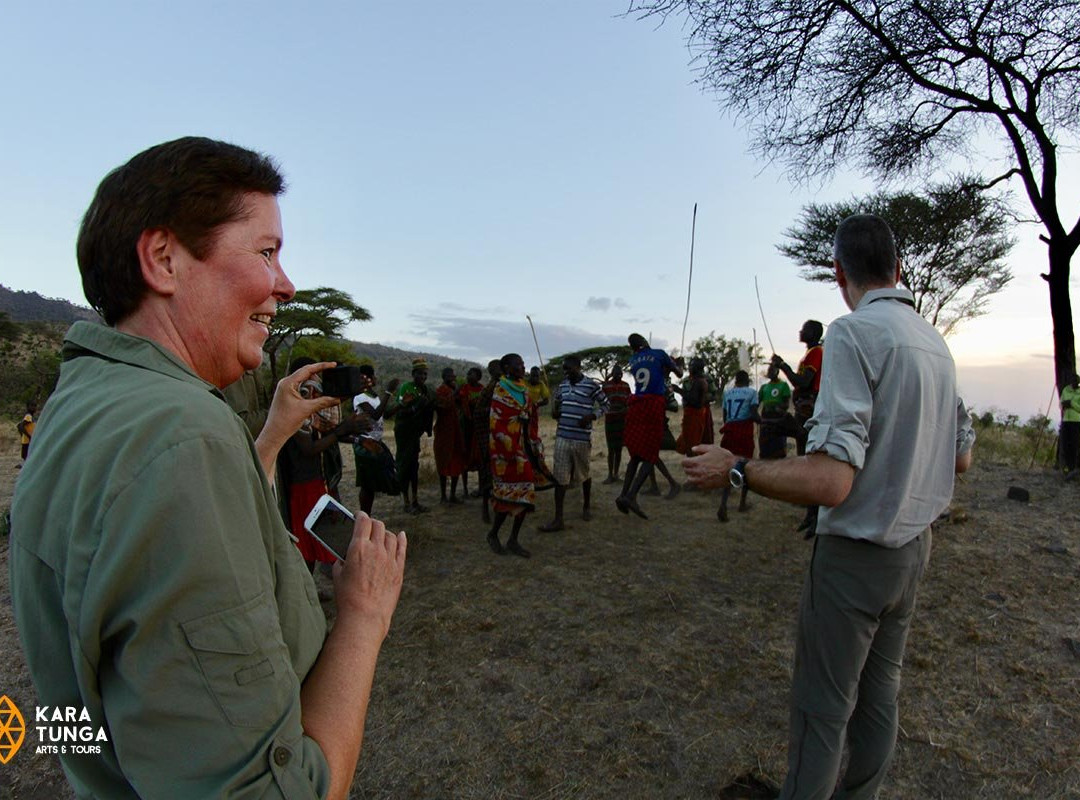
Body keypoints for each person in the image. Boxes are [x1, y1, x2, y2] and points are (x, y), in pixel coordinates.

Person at [9, 137, 407, 799]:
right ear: (164, 259)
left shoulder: (80, 403)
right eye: (266, 252)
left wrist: (271, 436)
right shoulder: (182, 435)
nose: (286, 283)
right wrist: (364, 617)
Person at [684, 213, 975, 800]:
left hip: (855, 560)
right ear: (898, 268)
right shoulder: (934, 343)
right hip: (914, 553)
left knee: (823, 711)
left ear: (838, 271)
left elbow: (831, 482)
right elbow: (962, 459)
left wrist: (737, 469)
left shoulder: (852, 333)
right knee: (879, 697)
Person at [278, 358, 370, 571]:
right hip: (302, 484)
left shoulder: (310, 413)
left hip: (314, 480)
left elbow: (325, 431)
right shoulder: (295, 410)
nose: (313, 390)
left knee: (315, 540)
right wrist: (342, 430)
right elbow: (308, 449)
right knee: (306, 544)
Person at [487, 353, 552, 557]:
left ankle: (513, 539)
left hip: (522, 448)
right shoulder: (500, 390)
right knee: (506, 495)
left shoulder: (523, 389)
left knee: (525, 492)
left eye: (523, 364)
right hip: (504, 453)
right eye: (518, 365)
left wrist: (533, 440)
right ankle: (493, 534)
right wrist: (511, 447)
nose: (522, 368)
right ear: (507, 367)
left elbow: (529, 416)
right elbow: (496, 423)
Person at [617, 333, 683, 518]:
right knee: (651, 454)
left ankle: (623, 495)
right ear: (646, 342)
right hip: (653, 404)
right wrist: (676, 365)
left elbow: (652, 372)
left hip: (637, 405)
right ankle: (631, 496)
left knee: (637, 454)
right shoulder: (660, 354)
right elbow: (679, 373)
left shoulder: (633, 360)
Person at [540, 354, 609, 531]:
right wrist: (555, 413)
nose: (566, 372)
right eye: (564, 369)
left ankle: (586, 506)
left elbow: (606, 405)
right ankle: (558, 519)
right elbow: (557, 409)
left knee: (583, 474)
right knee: (560, 478)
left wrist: (592, 415)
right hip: (562, 437)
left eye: (568, 369)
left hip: (581, 439)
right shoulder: (562, 386)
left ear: (578, 367)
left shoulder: (592, 386)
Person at [773, 320, 825, 533]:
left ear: (813, 332)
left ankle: (816, 516)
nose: (800, 331)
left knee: (810, 461)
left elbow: (803, 382)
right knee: (806, 460)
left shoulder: (816, 352)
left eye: (804, 328)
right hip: (804, 410)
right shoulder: (810, 353)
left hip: (810, 411)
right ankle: (811, 514)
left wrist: (783, 366)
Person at [386, 357, 434, 514]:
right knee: (405, 466)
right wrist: (415, 408)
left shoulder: (424, 389)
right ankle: (406, 502)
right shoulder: (407, 387)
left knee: (414, 466)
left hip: (415, 433)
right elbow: (401, 410)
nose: (423, 377)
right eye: (420, 374)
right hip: (404, 431)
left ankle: (415, 501)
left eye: (425, 374)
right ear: (414, 374)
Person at [352, 364, 400, 515]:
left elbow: (384, 415)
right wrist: (388, 392)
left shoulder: (374, 397)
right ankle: (365, 516)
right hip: (364, 443)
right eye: (373, 376)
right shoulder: (359, 397)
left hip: (375, 443)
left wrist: (401, 405)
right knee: (367, 485)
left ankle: (367, 515)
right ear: (370, 379)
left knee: (372, 483)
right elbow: (375, 415)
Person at [717, 370, 758, 522]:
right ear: (747, 380)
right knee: (745, 465)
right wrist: (763, 421)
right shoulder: (752, 393)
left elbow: (725, 415)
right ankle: (742, 502)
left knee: (729, 466)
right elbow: (753, 413)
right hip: (744, 430)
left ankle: (723, 504)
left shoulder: (728, 393)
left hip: (730, 430)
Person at [434, 366, 468, 503]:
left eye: (453, 376)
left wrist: (459, 395)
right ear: (444, 377)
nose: (452, 378)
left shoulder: (455, 391)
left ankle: (453, 495)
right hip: (443, 431)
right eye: (450, 376)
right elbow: (442, 406)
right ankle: (443, 495)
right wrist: (455, 394)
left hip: (456, 431)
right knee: (442, 462)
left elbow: (462, 406)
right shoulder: (440, 391)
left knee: (457, 461)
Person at [474, 359, 502, 524]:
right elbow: (479, 412)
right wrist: (494, 410)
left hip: (498, 436)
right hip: (488, 436)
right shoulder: (491, 388)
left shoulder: (501, 386)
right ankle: (485, 508)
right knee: (487, 474)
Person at [674, 357, 713, 455]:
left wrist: (678, 390)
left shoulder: (699, 382)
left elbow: (694, 400)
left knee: (692, 444)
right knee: (688, 442)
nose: (689, 368)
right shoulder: (696, 380)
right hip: (693, 415)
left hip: (694, 416)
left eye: (691, 366)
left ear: (696, 368)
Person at [458, 366, 485, 496]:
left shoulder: (482, 390)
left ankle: (481, 488)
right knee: (464, 457)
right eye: (468, 373)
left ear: (478, 377)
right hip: (466, 426)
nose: (468, 376)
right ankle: (465, 489)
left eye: (471, 374)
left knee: (480, 459)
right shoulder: (463, 388)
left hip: (478, 428)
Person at [602, 364, 632, 483]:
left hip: (622, 420)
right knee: (611, 449)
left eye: (620, 374)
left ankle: (616, 474)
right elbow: (602, 401)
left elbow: (629, 401)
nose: (618, 375)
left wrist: (626, 410)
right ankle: (610, 474)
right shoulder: (606, 385)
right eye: (616, 373)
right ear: (612, 374)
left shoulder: (626, 386)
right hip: (610, 420)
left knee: (619, 449)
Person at [758, 363, 793, 460]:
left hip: (778, 420)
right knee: (765, 449)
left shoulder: (783, 385)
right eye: (769, 370)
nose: (770, 372)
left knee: (778, 448)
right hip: (766, 420)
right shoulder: (764, 387)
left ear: (777, 372)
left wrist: (777, 408)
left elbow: (786, 404)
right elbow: (757, 402)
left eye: (772, 370)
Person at [1060, 372, 1080, 479]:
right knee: (1065, 445)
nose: (1075, 382)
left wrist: (1072, 404)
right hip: (1066, 420)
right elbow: (1061, 402)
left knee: (1074, 445)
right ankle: (1066, 467)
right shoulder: (1065, 390)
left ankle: (1073, 467)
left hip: (1076, 421)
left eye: (1077, 380)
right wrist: (1063, 404)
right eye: (1074, 380)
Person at [16, 401, 36, 466]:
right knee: (27, 455)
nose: (34, 408)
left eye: (35, 406)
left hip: (27, 440)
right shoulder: (28, 416)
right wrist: (28, 436)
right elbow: (21, 426)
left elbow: (19, 426)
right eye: (32, 406)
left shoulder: (29, 416)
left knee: (27, 455)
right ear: (27, 407)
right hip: (28, 440)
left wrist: (22, 435)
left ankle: (24, 465)